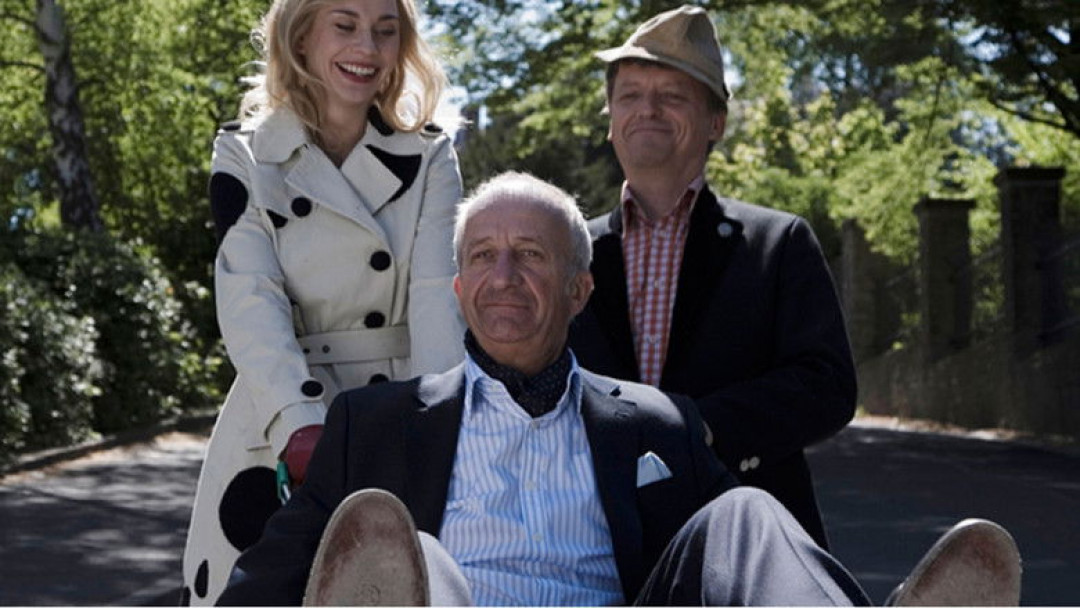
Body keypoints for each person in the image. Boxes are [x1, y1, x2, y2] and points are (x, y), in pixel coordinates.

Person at [215, 172, 1020, 606]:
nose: (504, 275)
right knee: (405, 551)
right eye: (483, 256)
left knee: (746, 513)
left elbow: (742, 571)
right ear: (457, 292)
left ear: (578, 290)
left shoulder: (656, 425)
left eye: (531, 255)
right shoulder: (373, 425)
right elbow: (264, 582)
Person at [181, 0, 465, 604]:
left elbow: (438, 299)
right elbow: (249, 297)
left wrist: (435, 430)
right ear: (302, 36)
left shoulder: (430, 156)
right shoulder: (244, 154)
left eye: (385, 31)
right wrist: (298, 424)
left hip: (395, 409)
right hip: (279, 414)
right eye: (345, 25)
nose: (367, 48)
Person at [568, 4, 854, 548]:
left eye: (672, 95)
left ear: (716, 122)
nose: (647, 109)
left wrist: (697, 425)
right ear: (610, 119)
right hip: (599, 540)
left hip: (746, 537)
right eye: (630, 95)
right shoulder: (568, 253)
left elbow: (827, 385)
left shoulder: (778, 243)